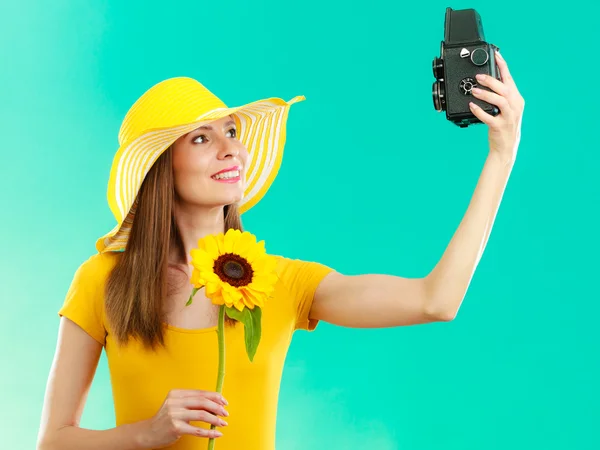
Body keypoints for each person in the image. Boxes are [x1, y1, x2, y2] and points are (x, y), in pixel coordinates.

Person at [36, 50, 524, 450]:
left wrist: (502, 154)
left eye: (231, 132)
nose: (230, 149)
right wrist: (149, 433)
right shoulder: (101, 281)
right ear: (160, 171)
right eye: (202, 139)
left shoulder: (281, 282)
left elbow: (436, 300)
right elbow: (53, 442)